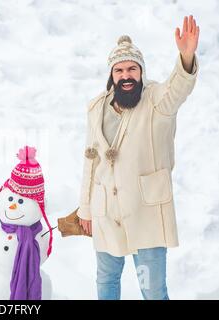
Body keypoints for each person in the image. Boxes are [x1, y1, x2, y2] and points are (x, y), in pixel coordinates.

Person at [77, 15, 200, 300]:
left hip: (146, 212)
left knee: (153, 290)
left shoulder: (158, 100)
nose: (126, 75)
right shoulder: (96, 108)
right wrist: (85, 208)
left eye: (132, 68)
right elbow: (90, 160)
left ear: (141, 72)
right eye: (119, 70)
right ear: (112, 75)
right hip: (106, 211)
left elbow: (178, 88)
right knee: (106, 282)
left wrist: (186, 56)